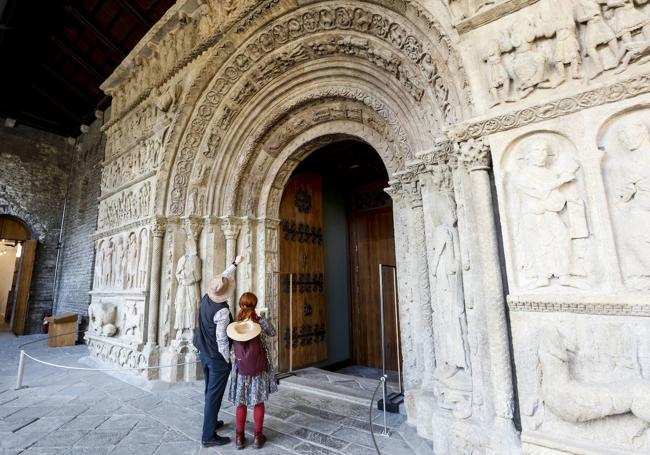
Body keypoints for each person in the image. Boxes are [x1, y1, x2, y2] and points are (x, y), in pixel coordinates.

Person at [192, 255, 245, 448]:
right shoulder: (222, 311)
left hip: (203, 352)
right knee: (214, 394)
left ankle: (212, 421)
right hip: (216, 357)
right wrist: (227, 360)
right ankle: (208, 436)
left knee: (209, 390)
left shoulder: (207, 298)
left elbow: (221, 279)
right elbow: (222, 340)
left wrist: (235, 263)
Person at [227, 292, 277, 450]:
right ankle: (257, 438)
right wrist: (263, 318)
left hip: (240, 370)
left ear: (241, 305)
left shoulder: (236, 324)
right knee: (258, 402)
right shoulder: (261, 322)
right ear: (254, 305)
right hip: (258, 368)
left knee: (241, 403)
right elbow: (273, 332)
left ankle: (239, 438)